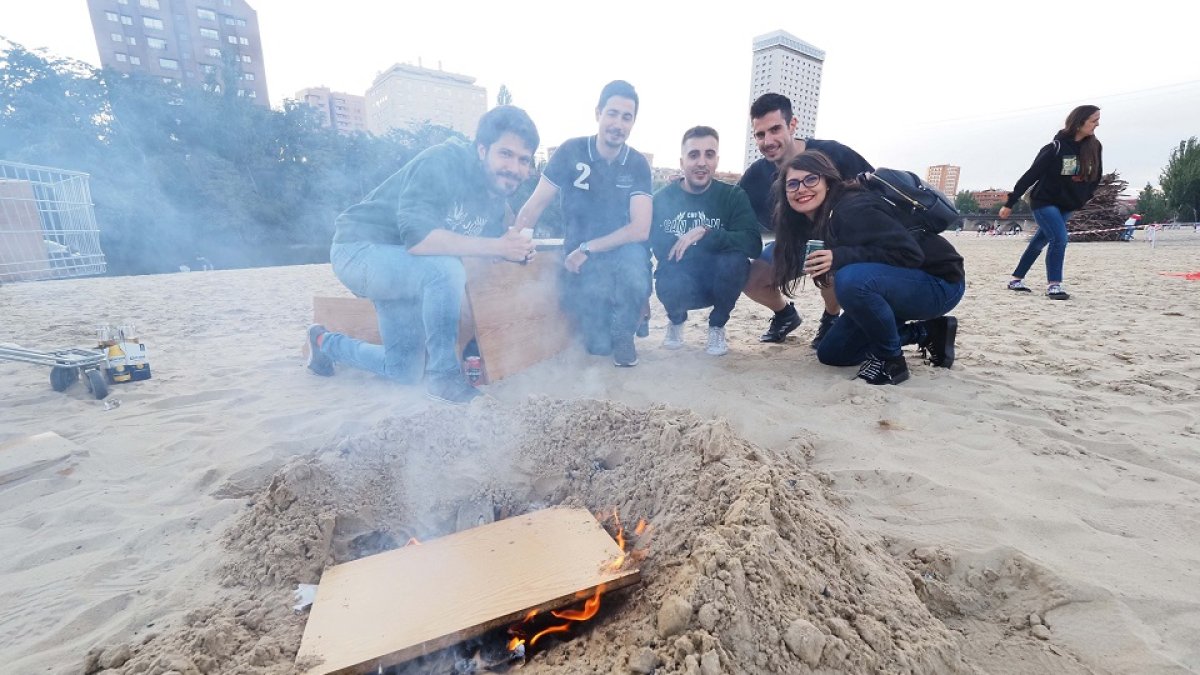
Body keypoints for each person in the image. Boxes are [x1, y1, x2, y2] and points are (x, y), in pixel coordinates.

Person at [305, 105, 540, 404]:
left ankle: (324, 343)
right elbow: (419, 241)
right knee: (445, 269)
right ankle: (444, 378)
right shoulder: (442, 162)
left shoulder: (494, 199)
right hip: (358, 249)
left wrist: (511, 252)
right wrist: (496, 246)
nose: (515, 168)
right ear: (482, 149)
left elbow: (479, 250)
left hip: (404, 269)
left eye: (524, 160)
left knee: (404, 370)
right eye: (505, 154)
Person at [772, 151, 965, 385]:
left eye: (811, 179)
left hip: (939, 282)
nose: (801, 188)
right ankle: (928, 332)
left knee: (851, 280)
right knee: (832, 353)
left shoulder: (851, 208)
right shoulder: (815, 221)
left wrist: (840, 256)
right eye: (792, 184)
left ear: (828, 182)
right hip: (893, 286)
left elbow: (910, 254)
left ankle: (890, 361)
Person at [515, 80, 653, 367]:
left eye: (627, 117)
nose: (618, 123)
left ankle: (627, 325)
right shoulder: (571, 152)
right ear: (598, 113)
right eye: (612, 113)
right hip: (580, 261)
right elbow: (535, 204)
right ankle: (627, 315)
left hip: (619, 255)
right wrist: (515, 242)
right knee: (597, 347)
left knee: (634, 265)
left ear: (633, 122)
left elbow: (640, 229)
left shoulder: (637, 163)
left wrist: (589, 247)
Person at [737, 93, 874, 348]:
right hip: (790, 244)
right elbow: (729, 207)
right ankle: (785, 315)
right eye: (760, 134)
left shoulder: (833, 153)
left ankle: (831, 317)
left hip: (838, 245)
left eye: (775, 129)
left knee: (829, 267)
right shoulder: (756, 176)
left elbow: (874, 187)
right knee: (749, 277)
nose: (768, 141)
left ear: (792, 125)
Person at [650, 126, 762, 356]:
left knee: (735, 261)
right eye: (694, 155)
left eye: (709, 154)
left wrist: (707, 232)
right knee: (668, 271)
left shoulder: (733, 196)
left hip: (718, 283)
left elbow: (753, 244)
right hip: (679, 281)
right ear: (682, 162)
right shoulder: (662, 199)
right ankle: (676, 321)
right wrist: (707, 245)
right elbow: (662, 249)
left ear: (717, 160)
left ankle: (717, 326)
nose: (702, 162)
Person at [1001, 105, 1102, 300]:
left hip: (1069, 204)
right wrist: (1010, 202)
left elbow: (1096, 176)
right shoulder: (1055, 147)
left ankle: (1016, 279)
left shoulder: (1094, 147)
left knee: (1040, 241)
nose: (1097, 124)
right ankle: (1054, 285)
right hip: (1044, 201)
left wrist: (1083, 197)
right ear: (1080, 122)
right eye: (1093, 120)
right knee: (1059, 238)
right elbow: (1030, 176)